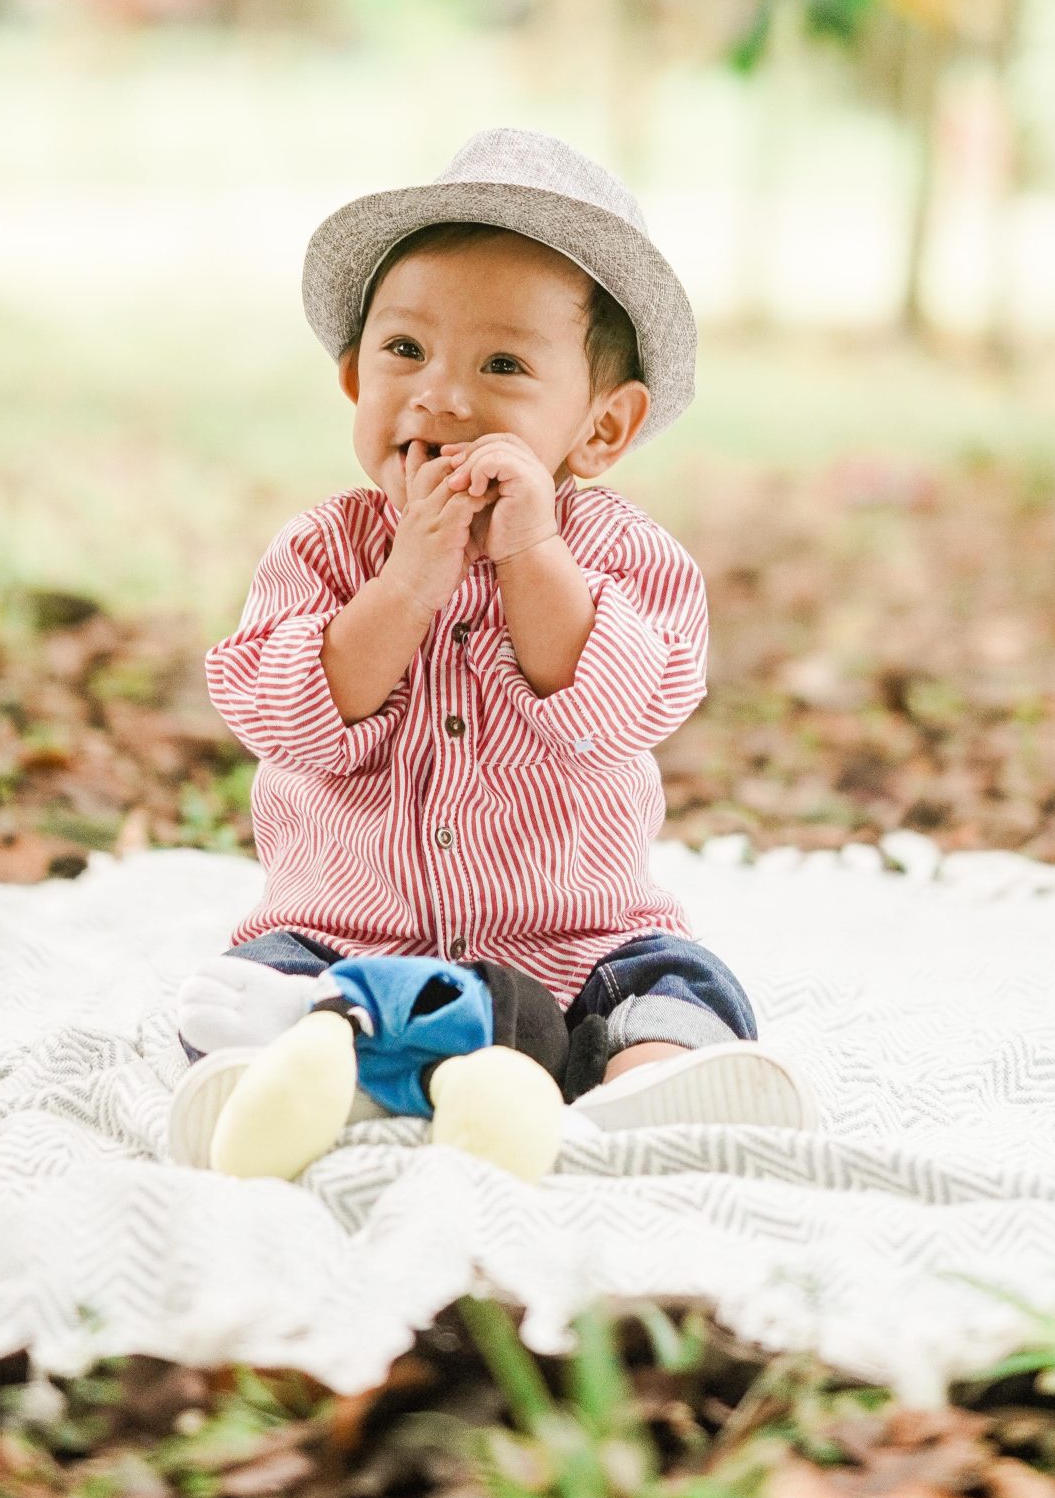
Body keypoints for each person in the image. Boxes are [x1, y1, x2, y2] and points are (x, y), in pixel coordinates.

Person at [166, 127, 814, 1179]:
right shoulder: (326, 549)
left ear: (601, 429)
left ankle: (647, 1086)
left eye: (503, 365)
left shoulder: (624, 557)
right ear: (351, 380)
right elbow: (280, 714)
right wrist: (406, 582)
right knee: (244, 986)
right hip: (346, 943)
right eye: (405, 351)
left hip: (573, 949)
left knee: (678, 982)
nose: (443, 395)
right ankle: (310, 1068)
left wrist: (532, 552)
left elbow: (619, 706)